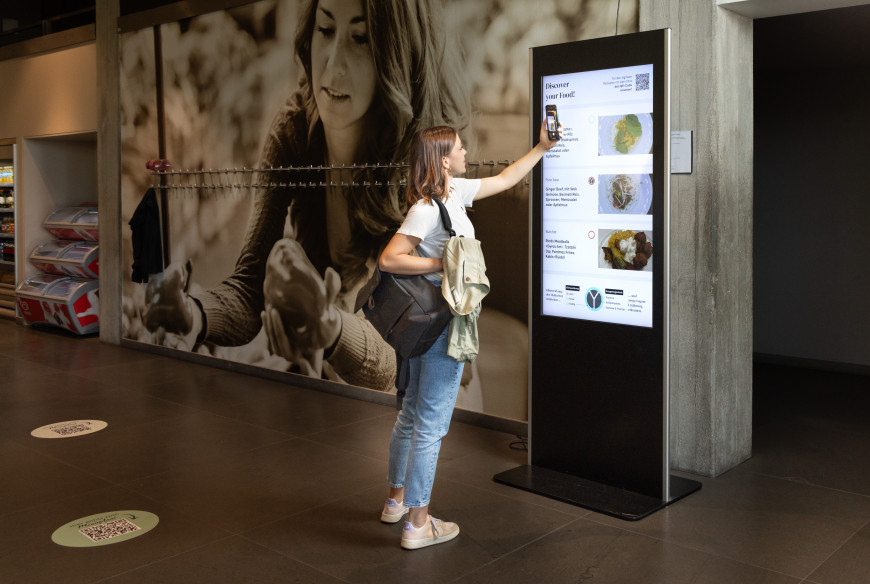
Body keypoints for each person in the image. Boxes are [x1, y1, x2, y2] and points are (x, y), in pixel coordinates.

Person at [141, 0, 470, 390]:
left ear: (396, 53)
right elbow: (250, 287)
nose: (333, 65)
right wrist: (190, 312)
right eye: (325, 30)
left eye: (360, 39)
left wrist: (327, 328)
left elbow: (403, 352)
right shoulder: (294, 132)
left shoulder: (426, 164)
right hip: (343, 381)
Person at [379, 121, 561, 549]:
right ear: (444, 159)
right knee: (429, 424)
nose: (465, 153)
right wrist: (441, 264)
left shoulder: (453, 194)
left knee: (410, 417)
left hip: (427, 326)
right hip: (439, 326)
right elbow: (390, 258)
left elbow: (504, 178)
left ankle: (396, 501)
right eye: (460, 149)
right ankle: (418, 524)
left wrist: (542, 147)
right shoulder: (426, 208)